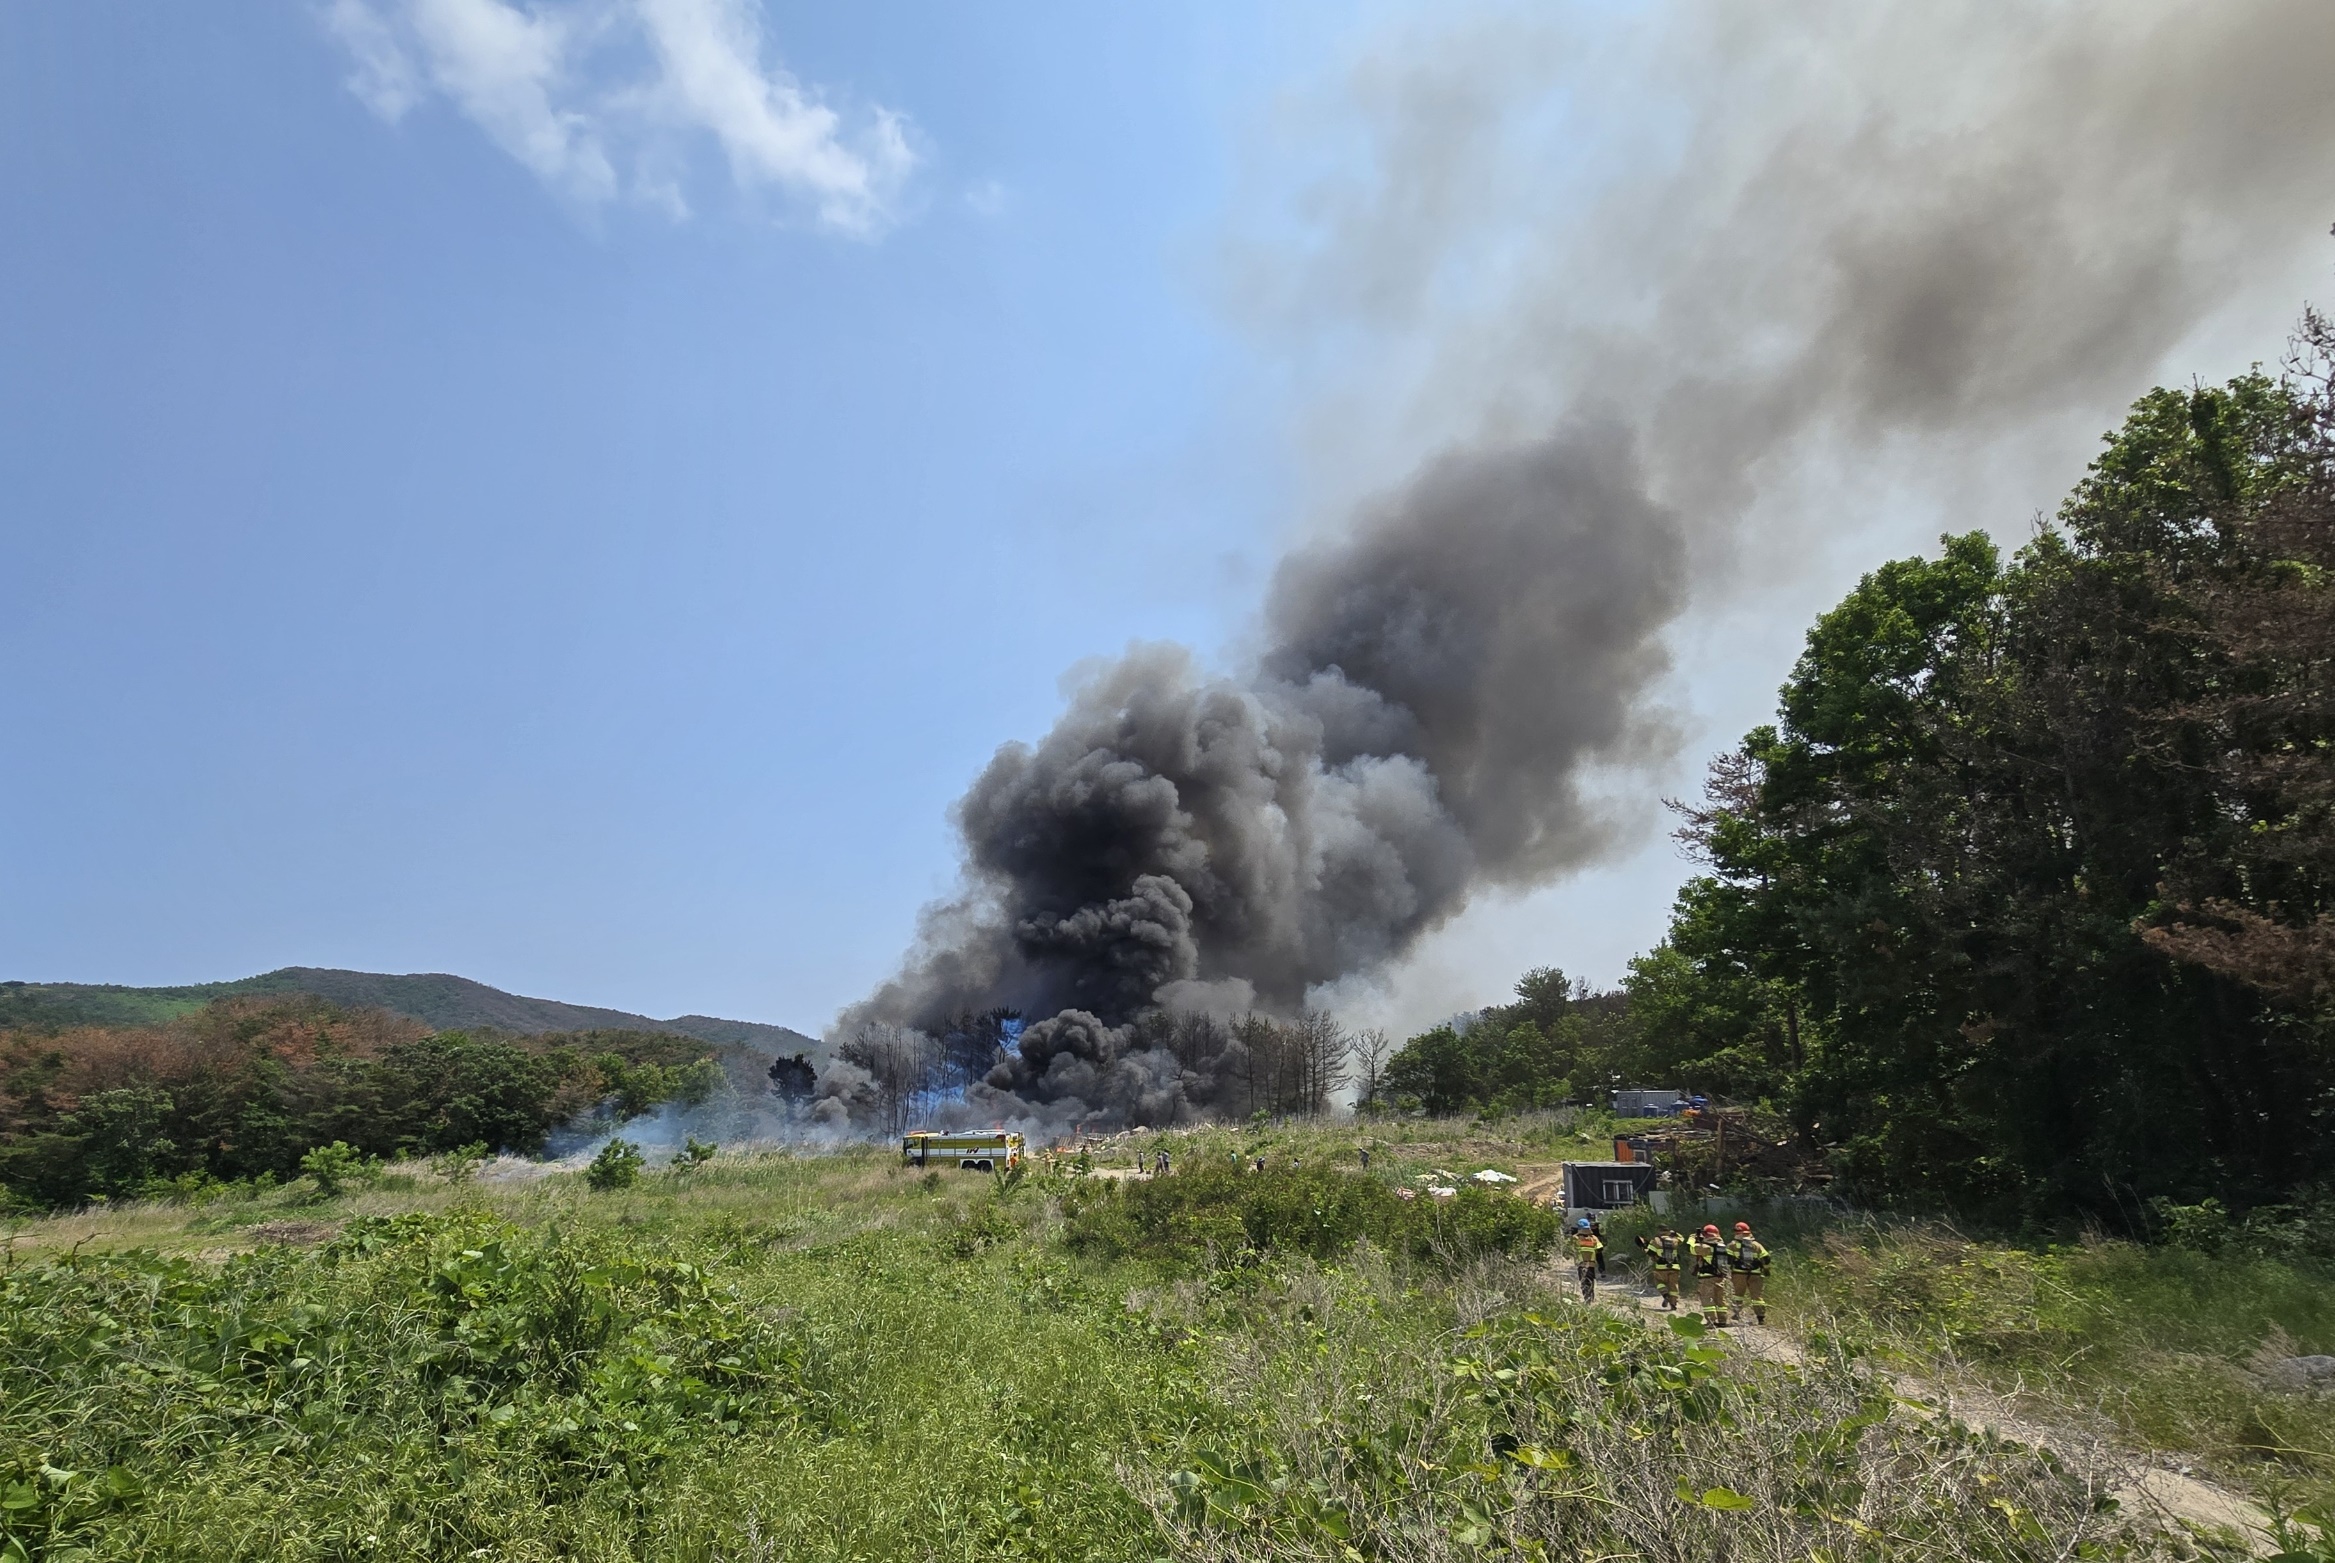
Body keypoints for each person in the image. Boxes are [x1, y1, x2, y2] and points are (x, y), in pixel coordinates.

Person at [1727, 1221, 1771, 1325]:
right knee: (1757, 1296)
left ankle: (1736, 1314)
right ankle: (1761, 1318)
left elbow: (1728, 1260)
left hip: (1738, 1273)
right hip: (1755, 1274)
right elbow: (1766, 1258)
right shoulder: (1756, 1245)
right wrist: (1766, 1270)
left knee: (1738, 1294)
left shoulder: (1732, 1245)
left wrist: (1728, 1271)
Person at [1635, 1225, 1687, 1310]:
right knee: (1673, 1285)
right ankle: (1673, 1303)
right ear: (1668, 1231)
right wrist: (1674, 1233)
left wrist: (1644, 1248)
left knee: (1659, 1281)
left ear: (1659, 1231)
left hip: (1661, 1267)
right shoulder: (1675, 1240)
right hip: (1674, 1267)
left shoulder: (1656, 1241)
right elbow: (1682, 1238)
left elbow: (1651, 1252)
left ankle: (1665, 1295)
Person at [1690, 1223, 1732, 1325]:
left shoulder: (1706, 1247)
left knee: (1707, 1298)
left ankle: (1711, 1321)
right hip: (1720, 1276)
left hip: (1707, 1277)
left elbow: (1692, 1249)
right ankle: (1722, 1320)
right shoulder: (1722, 1246)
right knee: (1720, 1299)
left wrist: (1692, 1238)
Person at [1570, 1218, 1603, 1303]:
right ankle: (1591, 1299)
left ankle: (1587, 1300)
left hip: (1581, 1265)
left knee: (1584, 1283)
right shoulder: (1594, 1238)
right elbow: (1600, 1248)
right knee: (1591, 1282)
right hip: (1591, 1265)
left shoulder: (1576, 1238)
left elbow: (1570, 1249)